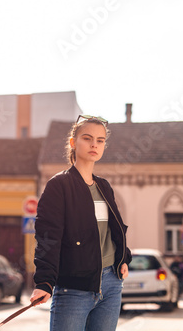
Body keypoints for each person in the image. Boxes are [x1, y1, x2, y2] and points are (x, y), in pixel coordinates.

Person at [29, 115, 132, 331]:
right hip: (74, 288)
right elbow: (48, 237)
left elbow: (115, 230)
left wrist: (123, 258)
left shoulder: (104, 186)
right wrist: (44, 282)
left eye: (100, 140)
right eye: (87, 138)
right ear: (73, 143)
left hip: (111, 285)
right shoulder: (59, 185)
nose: (94, 144)